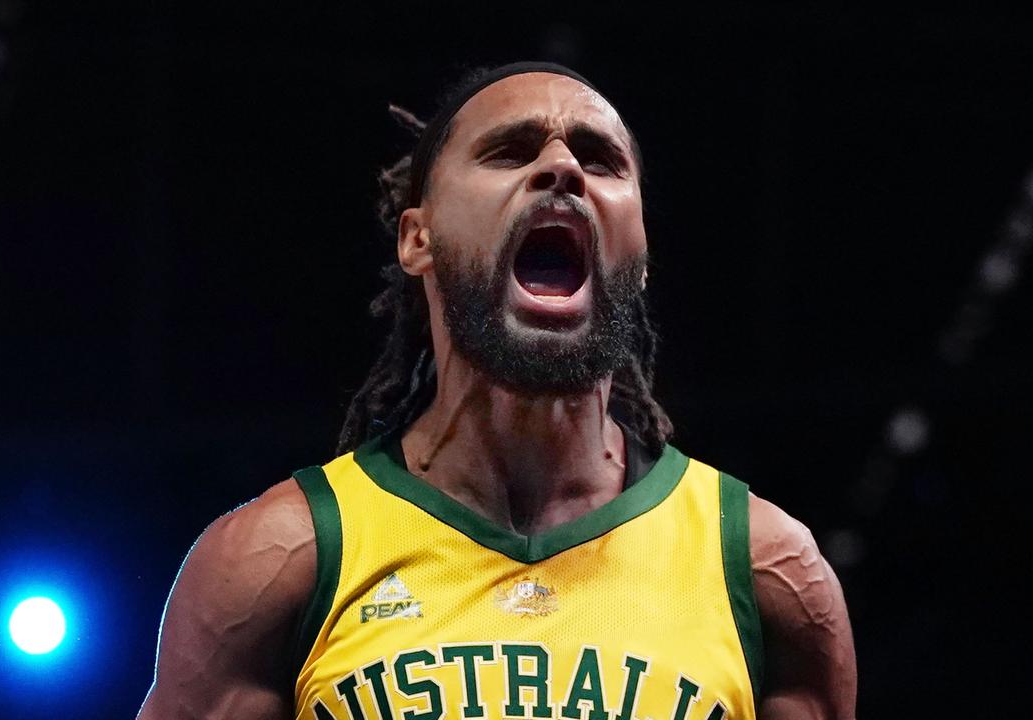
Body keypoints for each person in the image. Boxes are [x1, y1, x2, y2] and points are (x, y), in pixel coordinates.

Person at [136, 61, 856, 720]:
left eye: (600, 160)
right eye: (510, 151)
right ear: (417, 237)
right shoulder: (281, 557)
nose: (563, 169)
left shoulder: (762, 567)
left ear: (639, 254)